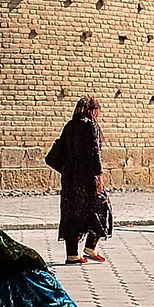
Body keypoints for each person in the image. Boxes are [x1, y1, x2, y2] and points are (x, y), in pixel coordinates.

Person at [46, 98, 108, 265]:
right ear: (93, 110)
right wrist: (98, 175)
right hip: (86, 177)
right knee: (101, 207)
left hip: (69, 178)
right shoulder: (91, 125)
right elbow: (94, 152)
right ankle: (90, 247)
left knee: (71, 214)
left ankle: (72, 255)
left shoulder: (69, 126)